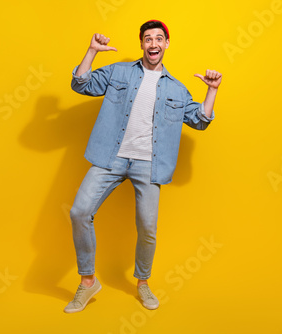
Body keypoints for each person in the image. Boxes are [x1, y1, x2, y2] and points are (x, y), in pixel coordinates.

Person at [64, 20, 222, 313]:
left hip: (149, 165)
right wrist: (91, 51)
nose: (153, 44)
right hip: (110, 157)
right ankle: (88, 282)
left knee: (147, 227)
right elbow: (80, 84)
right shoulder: (119, 72)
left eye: (158, 39)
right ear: (141, 44)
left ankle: (143, 282)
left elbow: (200, 120)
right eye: (148, 39)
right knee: (79, 212)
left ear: (166, 44)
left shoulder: (177, 88)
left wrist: (212, 90)